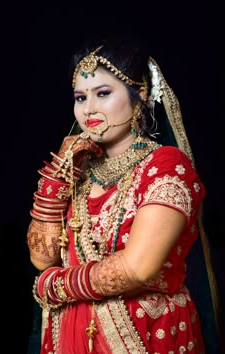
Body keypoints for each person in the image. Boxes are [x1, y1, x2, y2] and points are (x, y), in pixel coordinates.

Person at [27, 34, 219, 354]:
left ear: (140, 93)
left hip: (144, 334)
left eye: (103, 94)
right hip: (69, 335)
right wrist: (57, 180)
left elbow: (138, 268)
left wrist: (55, 285)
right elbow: (41, 259)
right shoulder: (79, 171)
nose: (89, 109)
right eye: (79, 97)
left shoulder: (166, 166)